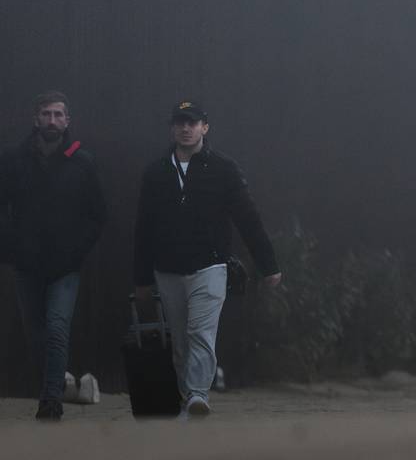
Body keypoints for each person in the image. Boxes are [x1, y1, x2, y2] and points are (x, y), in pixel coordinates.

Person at [132, 101, 282, 418]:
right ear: (172, 128)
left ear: (205, 127)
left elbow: (247, 217)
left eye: (193, 122)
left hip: (210, 265)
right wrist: (142, 277)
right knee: (180, 340)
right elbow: (144, 226)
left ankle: (198, 394)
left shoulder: (223, 169)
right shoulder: (156, 172)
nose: (186, 128)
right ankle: (187, 397)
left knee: (201, 332)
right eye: (180, 122)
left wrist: (268, 263)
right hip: (168, 268)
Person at [0, 91, 108, 421]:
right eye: (46, 114)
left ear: (67, 121)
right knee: (36, 334)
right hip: (26, 264)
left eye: (58, 114)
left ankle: (50, 401)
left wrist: (76, 251)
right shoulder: (13, 159)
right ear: (36, 119)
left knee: (58, 327)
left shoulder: (82, 161)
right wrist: (10, 245)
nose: (52, 120)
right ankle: (57, 382)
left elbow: (98, 214)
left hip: (65, 266)